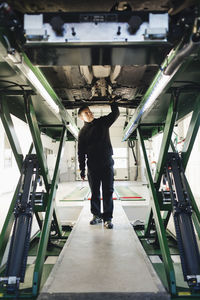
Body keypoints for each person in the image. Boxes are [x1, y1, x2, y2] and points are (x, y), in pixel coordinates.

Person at [78, 102, 120, 229]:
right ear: (81, 117)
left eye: (89, 111)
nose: (90, 113)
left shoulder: (102, 122)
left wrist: (113, 102)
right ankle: (96, 216)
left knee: (108, 191)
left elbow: (115, 114)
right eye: (86, 113)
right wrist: (82, 169)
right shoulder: (83, 133)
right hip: (93, 166)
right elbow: (81, 153)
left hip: (107, 163)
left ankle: (108, 218)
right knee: (95, 192)